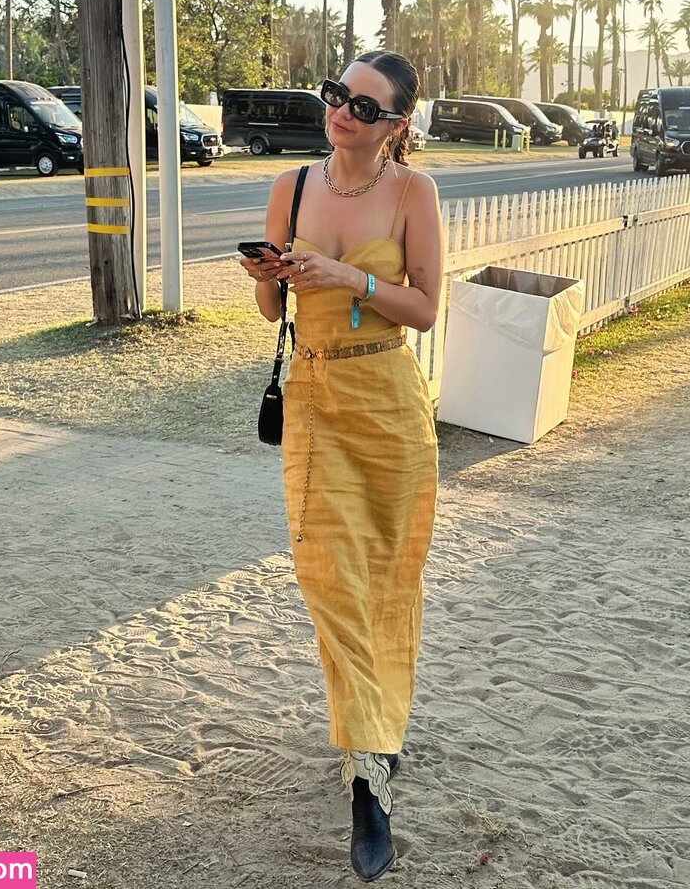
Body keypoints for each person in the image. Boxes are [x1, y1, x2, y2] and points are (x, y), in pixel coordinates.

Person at [240, 50, 443, 882]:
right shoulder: (290, 187)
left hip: (390, 404)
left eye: (363, 106)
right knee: (328, 576)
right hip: (315, 398)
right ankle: (368, 783)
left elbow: (425, 308)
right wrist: (269, 277)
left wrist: (348, 275)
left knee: (387, 580)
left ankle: (374, 744)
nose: (341, 112)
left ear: (395, 124)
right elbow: (271, 310)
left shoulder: (413, 192)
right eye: (336, 95)